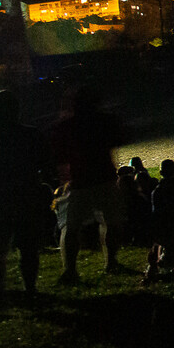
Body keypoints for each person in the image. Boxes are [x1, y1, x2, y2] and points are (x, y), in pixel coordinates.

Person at [51, 87, 127, 284]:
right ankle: (110, 262)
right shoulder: (104, 120)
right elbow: (119, 139)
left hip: (78, 181)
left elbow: (59, 156)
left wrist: (63, 180)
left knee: (71, 226)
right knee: (111, 222)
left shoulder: (66, 126)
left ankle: (70, 270)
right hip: (104, 177)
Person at [0, 91, 53, 303]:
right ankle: (30, 288)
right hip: (26, 196)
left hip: (2, 198)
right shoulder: (31, 134)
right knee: (29, 247)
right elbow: (46, 165)